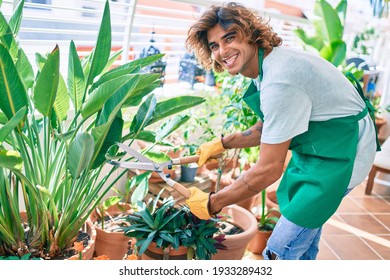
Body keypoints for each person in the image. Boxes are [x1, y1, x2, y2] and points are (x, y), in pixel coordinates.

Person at [184, 2, 380, 260]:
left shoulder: (279, 80)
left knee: (280, 250)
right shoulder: (267, 65)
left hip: (344, 154)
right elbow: (271, 127)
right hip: (321, 145)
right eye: (214, 46)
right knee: (305, 241)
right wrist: (223, 143)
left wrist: (213, 203)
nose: (222, 51)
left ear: (249, 33)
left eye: (229, 37)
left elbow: (267, 169)